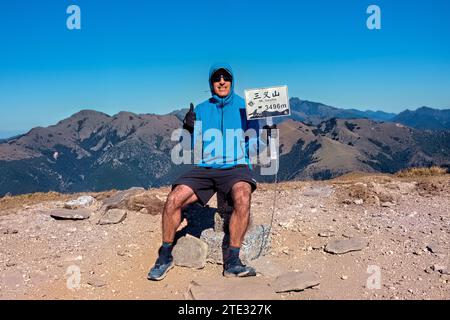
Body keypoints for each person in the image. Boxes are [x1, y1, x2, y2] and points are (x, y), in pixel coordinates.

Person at [147, 63, 263, 281]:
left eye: (225, 78)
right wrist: (187, 127)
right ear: (211, 83)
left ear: (232, 81)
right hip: (206, 167)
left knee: (243, 197)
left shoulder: (246, 106)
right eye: (216, 78)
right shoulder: (201, 108)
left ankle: (233, 261)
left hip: (236, 166)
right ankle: (164, 256)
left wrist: (261, 123)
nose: (221, 81)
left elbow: (254, 141)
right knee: (173, 199)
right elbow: (188, 146)